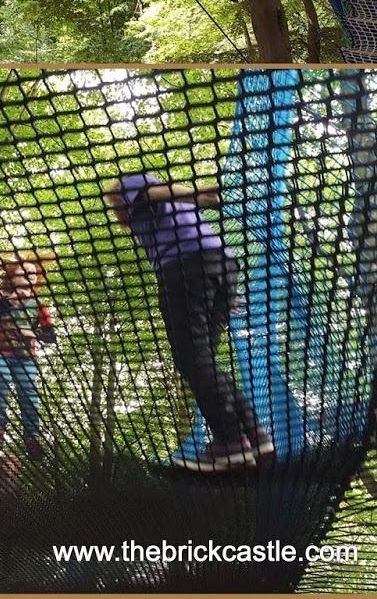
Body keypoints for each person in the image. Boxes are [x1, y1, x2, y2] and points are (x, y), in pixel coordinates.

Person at [102, 173, 274, 473]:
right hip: (222, 268)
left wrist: (197, 193)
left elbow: (155, 192)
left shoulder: (133, 184)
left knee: (191, 360)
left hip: (185, 269)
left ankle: (231, 443)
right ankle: (254, 434)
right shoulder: (173, 212)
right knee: (203, 361)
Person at [0, 255, 56, 459]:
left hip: (25, 358)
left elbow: (50, 336)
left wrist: (33, 334)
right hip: (1, 353)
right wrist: (6, 302)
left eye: (34, 273)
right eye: (25, 271)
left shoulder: (38, 305)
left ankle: (32, 437)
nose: (31, 275)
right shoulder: (2, 296)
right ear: (13, 278)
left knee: (28, 390)